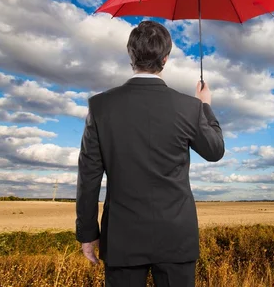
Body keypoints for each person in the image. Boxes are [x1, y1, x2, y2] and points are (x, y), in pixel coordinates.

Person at [75, 20, 225, 287]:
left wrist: (88, 233)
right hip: (176, 238)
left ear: (131, 55)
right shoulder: (188, 107)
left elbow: (89, 177)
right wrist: (205, 107)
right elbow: (215, 151)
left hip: (122, 238)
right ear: (165, 58)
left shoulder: (100, 106)